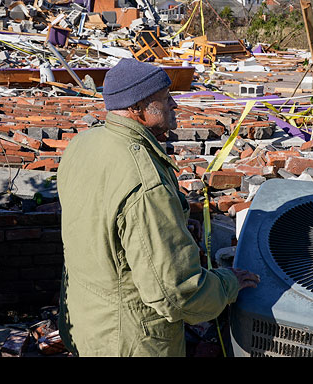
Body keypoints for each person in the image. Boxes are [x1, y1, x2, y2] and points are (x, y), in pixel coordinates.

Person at [56, 57, 260, 357]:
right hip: (130, 340)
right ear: (138, 109)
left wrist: (172, 223)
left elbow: (103, 223)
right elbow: (176, 292)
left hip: (85, 321)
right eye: (165, 99)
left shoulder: (83, 144)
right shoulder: (144, 181)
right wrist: (227, 285)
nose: (175, 105)